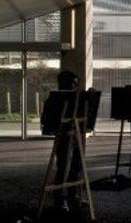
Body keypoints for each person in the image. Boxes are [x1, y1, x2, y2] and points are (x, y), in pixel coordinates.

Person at [45, 71, 81, 213]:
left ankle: (71, 196)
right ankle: (61, 198)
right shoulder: (55, 100)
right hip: (64, 138)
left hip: (74, 136)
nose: (75, 86)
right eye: (73, 83)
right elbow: (48, 123)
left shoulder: (74, 99)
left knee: (75, 167)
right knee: (64, 168)